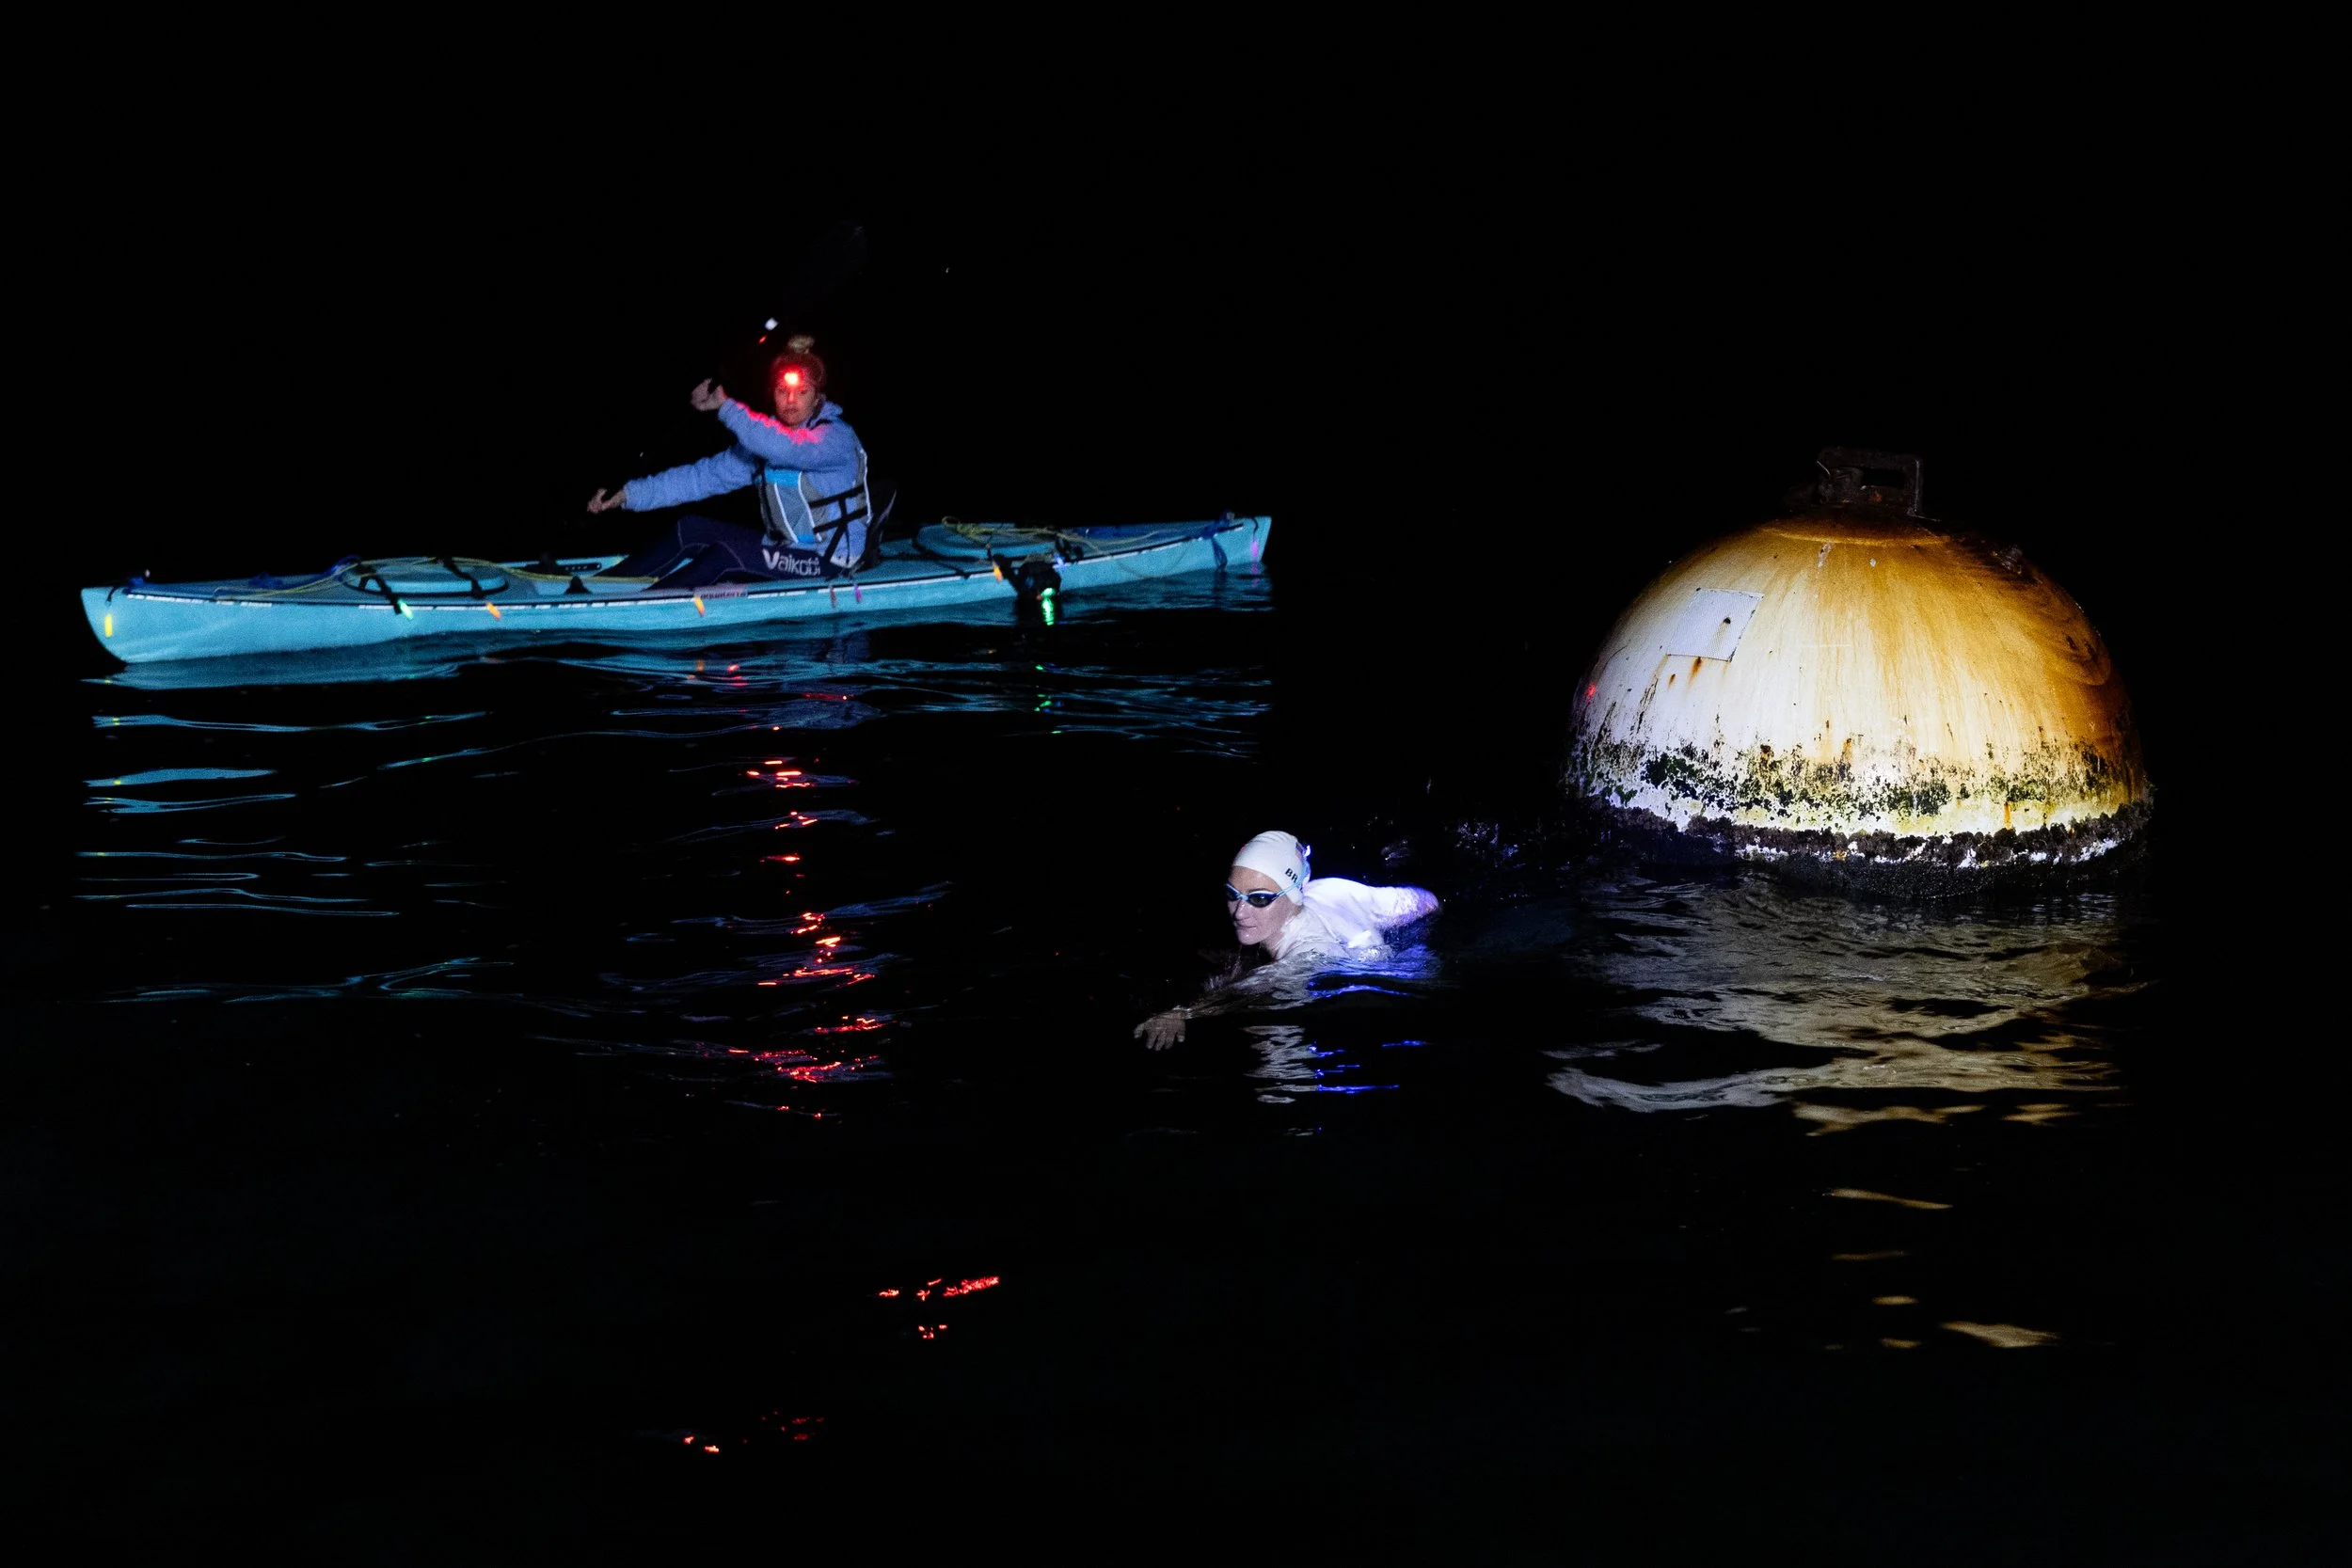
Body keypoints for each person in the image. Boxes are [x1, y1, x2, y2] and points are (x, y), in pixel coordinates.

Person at [586, 336, 874, 588]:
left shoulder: (835, 438)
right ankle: (602, 588)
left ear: (817, 398)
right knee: (692, 528)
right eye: (782, 391)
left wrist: (725, 406)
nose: (790, 401)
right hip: (784, 550)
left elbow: (786, 450)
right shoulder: (763, 442)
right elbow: (701, 479)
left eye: (802, 392)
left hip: (831, 560)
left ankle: (645, 605)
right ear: (771, 393)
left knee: (727, 555)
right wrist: (628, 494)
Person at [1134, 830, 1440, 1050]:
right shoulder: (1332, 890)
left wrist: (1184, 1013)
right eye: (1232, 895)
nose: (1240, 911)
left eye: (1260, 898)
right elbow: (1426, 902)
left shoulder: (1308, 954)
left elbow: (1252, 989)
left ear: (1293, 896)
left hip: (1394, 978)